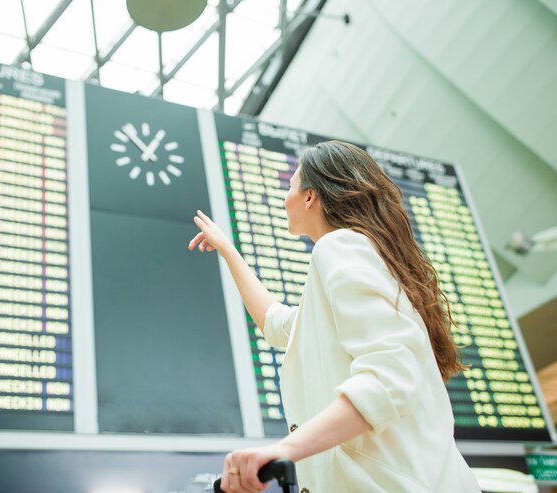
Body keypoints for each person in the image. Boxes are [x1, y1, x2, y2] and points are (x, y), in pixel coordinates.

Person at [188, 141, 481, 493]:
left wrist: (284, 451)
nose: (286, 198)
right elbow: (275, 323)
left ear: (310, 196)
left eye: (291, 186)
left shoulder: (338, 245)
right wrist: (228, 250)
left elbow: (390, 375)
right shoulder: (362, 256)